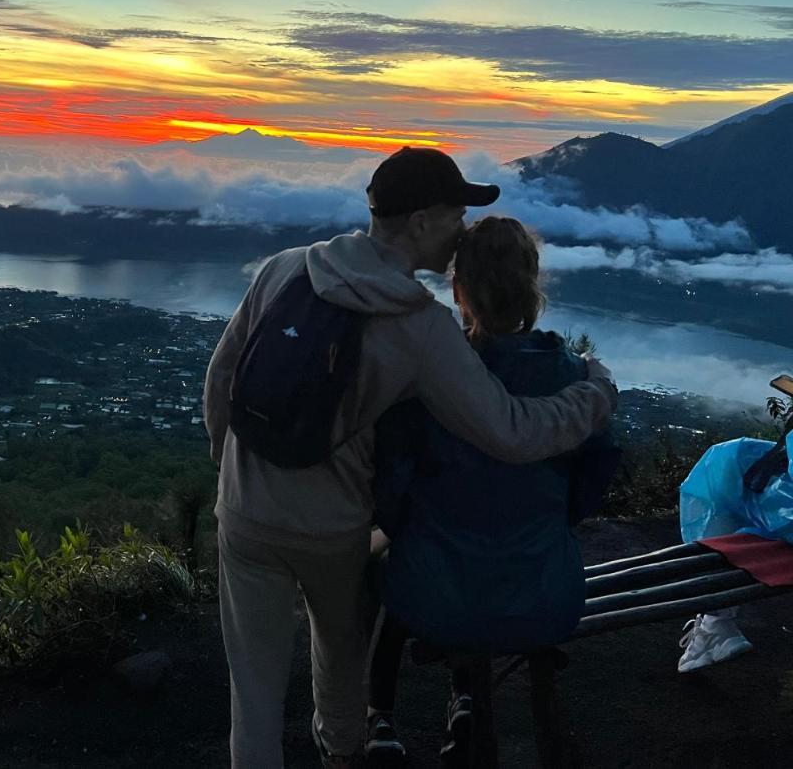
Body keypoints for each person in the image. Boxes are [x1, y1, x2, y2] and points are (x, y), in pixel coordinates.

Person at [204, 148, 619, 769]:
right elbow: (510, 431)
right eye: (455, 215)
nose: (460, 232)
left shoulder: (286, 269)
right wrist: (594, 395)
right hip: (332, 528)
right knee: (340, 667)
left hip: (245, 514)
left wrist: (229, 476)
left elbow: (222, 380)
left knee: (254, 694)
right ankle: (343, 755)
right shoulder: (420, 327)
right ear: (422, 222)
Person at [362, 217, 620, 766]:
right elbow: (591, 481)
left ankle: (379, 716)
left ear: (459, 290)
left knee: (395, 563)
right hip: (544, 596)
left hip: (439, 600)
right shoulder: (574, 379)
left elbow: (392, 493)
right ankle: (463, 702)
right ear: (533, 287)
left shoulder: (430, 378)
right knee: (471, 551)